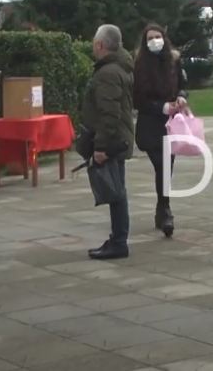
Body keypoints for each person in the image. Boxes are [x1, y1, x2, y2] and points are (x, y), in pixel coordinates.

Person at [82, 25, 135, 260]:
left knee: (116, 192)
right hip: (119, 138)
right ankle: (117, 239)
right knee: (117, 190)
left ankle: (119, 241)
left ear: (100, 45)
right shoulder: (117, 68)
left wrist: (101, 147)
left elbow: (109, 114)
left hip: (113, 141)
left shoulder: (108, 73)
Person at [132, 25, 188, 239]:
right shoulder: (139, 65)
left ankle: (164, 209)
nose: (155, 40)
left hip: (171, 123)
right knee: (161, 164)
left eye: (158, 37)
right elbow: (138, 99)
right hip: (150, 122)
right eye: (150, 38)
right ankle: (163, 207)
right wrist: (161, 107)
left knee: (166, 166)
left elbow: (183, 84)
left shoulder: (173, 60)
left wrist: (181, 97)